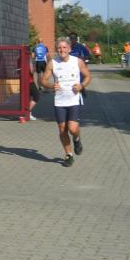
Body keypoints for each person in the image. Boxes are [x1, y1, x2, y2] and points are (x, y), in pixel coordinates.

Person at [41, 37, 92, 166]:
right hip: (60, 101)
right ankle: (69, 155)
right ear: (57, 49)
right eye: (59, 47)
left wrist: (81, 85)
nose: (62, 50)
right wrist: (51, 86)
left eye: (64, 47)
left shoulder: (78, 62)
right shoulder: (52, 63)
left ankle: (77, 139)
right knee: (62, 129)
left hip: (74, 99)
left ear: (69, 49)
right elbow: (43, 80)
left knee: (72, 128)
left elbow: (88, 76)